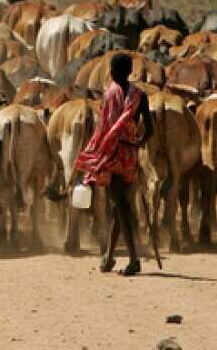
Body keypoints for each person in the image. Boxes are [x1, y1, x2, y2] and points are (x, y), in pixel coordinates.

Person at [74, 52, 153, 275]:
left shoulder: (108, 96)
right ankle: (108, 257)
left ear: (110, 72)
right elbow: (151, 129)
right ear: (130, 72)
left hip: (111, 155)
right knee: (120, 204)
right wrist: (137, 144)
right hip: (129, 156)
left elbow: (103, 129)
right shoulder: (141, 96)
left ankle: (134, 260)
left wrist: (97, 151)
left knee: (122, 206)